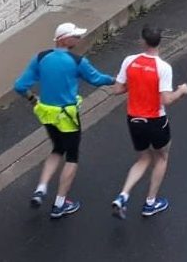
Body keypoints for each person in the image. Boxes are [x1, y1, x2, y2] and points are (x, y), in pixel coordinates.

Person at [12, 22, 116, 219]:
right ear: (63, 39)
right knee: (72, 157)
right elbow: (96, 79)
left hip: (47, 114)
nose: (78, 39)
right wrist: (115, 80)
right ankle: (60, 204)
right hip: (67, 116)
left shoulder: (40, 57)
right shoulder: (77, 61)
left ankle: (41, 188)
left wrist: (33, 99)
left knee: (57, 148)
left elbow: (19, 86)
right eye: (74, 36)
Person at [110, 27, 187, 219]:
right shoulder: (163, 68)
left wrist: (136, 84)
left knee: (143, 159)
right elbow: (166, 100)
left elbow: (117, 89)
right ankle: (150, 203)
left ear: (142, 41)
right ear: (159, 42)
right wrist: (182, 91)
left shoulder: (129, 61)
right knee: (161, 158)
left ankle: (123, 195)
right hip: (155, 120)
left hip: (134, 119)